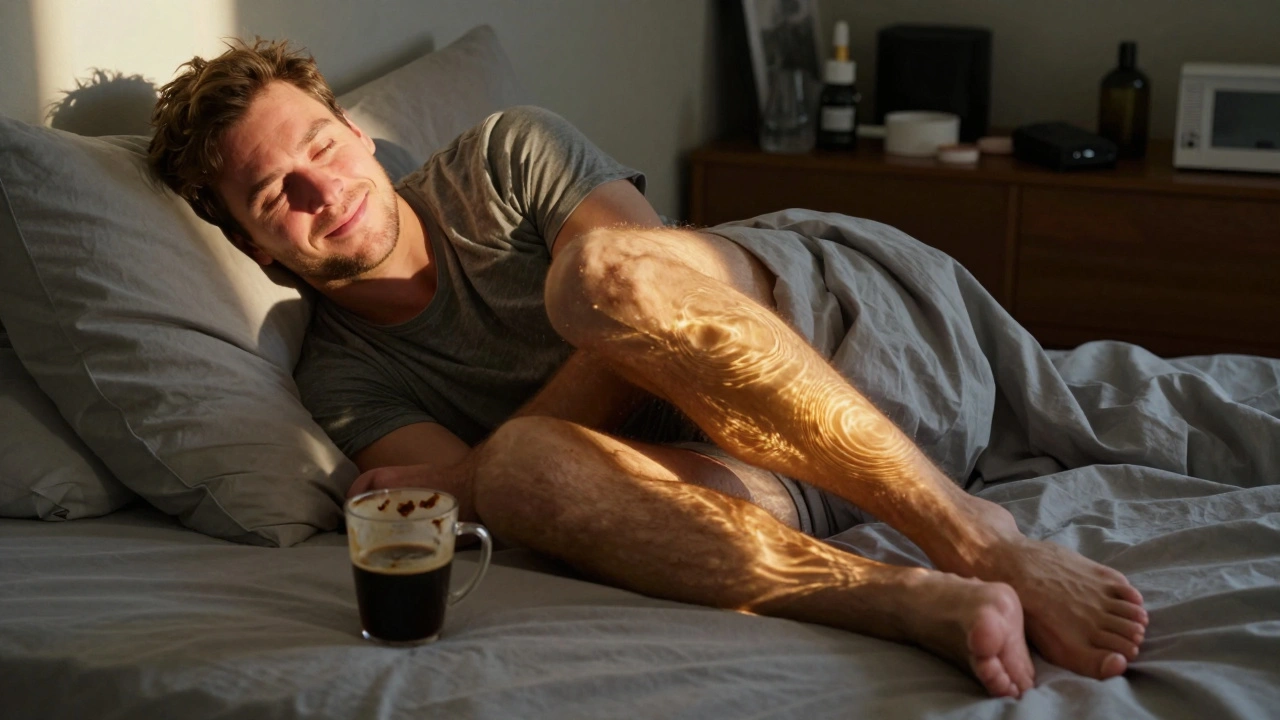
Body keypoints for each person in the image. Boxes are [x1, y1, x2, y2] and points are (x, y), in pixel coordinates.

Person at [148, 39, 1148, 699]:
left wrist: (471, 471)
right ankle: (903, 601)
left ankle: (972, 536)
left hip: (824, 332)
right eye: (275, 195)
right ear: (256, 249)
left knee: (601, 280)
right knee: (524, 471)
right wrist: (488, 474)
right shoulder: (340, 378)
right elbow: (489, 501)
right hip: (749, 484)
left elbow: (651, 300)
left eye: (322, 145)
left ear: (359, 135)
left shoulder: (504, 157)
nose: (321, 190)